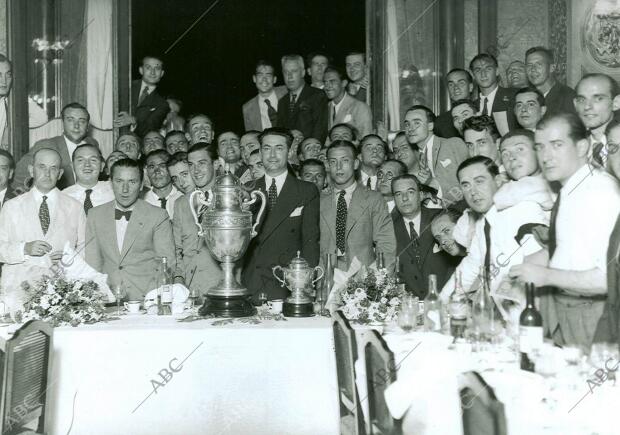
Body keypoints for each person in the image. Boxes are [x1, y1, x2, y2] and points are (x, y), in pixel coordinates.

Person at [509, 113, 620, 349]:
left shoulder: (599, 193)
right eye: (539, 147)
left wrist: (545, 276)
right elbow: (573, 250)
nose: (545, 156)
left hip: (593, 314)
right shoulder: (571, 188)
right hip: (564, 309)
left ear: (582, 146)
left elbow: (607, 278)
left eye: (556, 145)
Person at [441, 156, 547, 306]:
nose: (473, 192)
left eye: (479, 181)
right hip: (503, 312)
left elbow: (538, 264)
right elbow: (470, 267)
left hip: (531, 309)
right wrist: (439, 302)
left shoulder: (523, 209)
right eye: (466, 185)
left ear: (497, 181)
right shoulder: (482, 223)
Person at [0, 148, 86, 307]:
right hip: (18, 293)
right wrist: (24, 248)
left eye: (53, 168)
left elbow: (85, 248)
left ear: (60, 174)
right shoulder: (11, 207)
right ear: (31, 170)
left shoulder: (75, 207)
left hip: (62, 292)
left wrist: (70, 258)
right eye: (42, 167)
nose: (47, 173)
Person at [242, 127, 320, 302]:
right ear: (260, 152)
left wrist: (304, 282)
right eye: (267, 148)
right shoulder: (248, 189)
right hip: (253, 281)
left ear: (290, 151)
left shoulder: (306, 190)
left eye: (279, 148)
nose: (272, 155)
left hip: (287, 282)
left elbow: (310, 241)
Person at [86, 158, 175, 301]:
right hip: (107, 299)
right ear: (111, 183)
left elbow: (165, 263)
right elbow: (93, 264)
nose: (125, 189)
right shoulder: (95, 215)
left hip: (146, 299)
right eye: (119, 181)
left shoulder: (158, 215)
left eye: (132, 182)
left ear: (141, 185)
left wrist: (153, 299)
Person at [320, 140, 396, 271]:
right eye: (333, 161)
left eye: (345, 161)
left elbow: (386, 243)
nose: (338, 167)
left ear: (355, 164)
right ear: (327, 165)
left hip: (362, 279)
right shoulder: (319, 200)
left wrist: (379, 280)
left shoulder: (373, 198)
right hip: (326, 277)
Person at [172, 143, 223, 293]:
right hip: (190, 288)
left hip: (222, 286)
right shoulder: (181, 203)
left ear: (215, 164)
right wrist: (179, 279)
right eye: (191, 165)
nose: (196, 170)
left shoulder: (232, 197)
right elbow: (177, 248)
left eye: (201, 163)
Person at [13, 103, 99, 191]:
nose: (76, 126)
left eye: (82, 121)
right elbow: (19, 177)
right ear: (63, 123)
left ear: (87, 126)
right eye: (70, 120)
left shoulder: (92, 145)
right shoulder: (46, 145)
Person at [404, 105, 469, 201]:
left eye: (417, 123)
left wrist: (431, 182)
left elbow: (467, 185)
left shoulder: (453, 144)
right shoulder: (418, 157)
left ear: (430, 125)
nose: (410, 129)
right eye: (407, 124)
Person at [114, 55, 169, 138]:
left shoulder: (162, 104)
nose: (153, 72)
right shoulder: (125, 87)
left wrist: (134, 121)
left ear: (162, 73)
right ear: (141, 70)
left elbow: (149, 130)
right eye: (148, 67)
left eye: (157, 68)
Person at [276, 54, 328, 143]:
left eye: (294, 71)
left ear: (303, 72)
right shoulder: (282, 102)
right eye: (286, 72)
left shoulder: (318, 95)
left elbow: (320, 131)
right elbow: (279, 134)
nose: (289, 76)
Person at [574, 73, 620, 167]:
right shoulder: (574, 149)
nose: (587, 106)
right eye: (582, 100)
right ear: (575, 105)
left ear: (616, 103)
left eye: (598, 99)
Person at [470, 53, 518, 135]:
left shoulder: (514, 96)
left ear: (497, 71)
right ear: (473, 75)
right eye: (478, 70)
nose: (483, 74)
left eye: (488, 69)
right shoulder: (471, 107)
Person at [62, 144, 114, 214]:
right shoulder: (63, 197)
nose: (87, 164)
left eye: (93, 160)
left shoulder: (114, 191)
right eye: (80, 160)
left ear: (102, 166)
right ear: (72, 166)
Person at [324, 67, 372, 141]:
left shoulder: (360, 107)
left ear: (344, 83)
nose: (327, 86)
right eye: (325, 82)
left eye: (332, 81)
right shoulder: (325, 108)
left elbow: (366, 140)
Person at [525, 46, 576, 115]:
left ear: (552, 68)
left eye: (538, 65)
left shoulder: (568, 97)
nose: (533, 69)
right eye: (529, 65)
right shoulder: (526, 98)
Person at [242, 60, 288, 131]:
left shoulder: (287, 91)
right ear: (254, 79)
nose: (264, 79)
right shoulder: (247, 108)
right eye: (260, 75)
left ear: (274, 79)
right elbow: (251, 136)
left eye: (268, 75)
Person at [142, 149, 183, 218]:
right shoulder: (142, 201)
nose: (157, 171)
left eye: (162, 166)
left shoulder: (183, 197)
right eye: (152, 167)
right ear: (146, 171)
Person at [435, 69, 474, 138]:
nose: (456, 88)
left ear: (470, 87)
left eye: (461, 83)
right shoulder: (440, 122)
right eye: (451, 84)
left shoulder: (482, 112)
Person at [0, 54, 12, 149]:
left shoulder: (8, 103)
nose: (4, 81)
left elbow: (41, 118)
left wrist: (9, 129)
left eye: (8, 75)